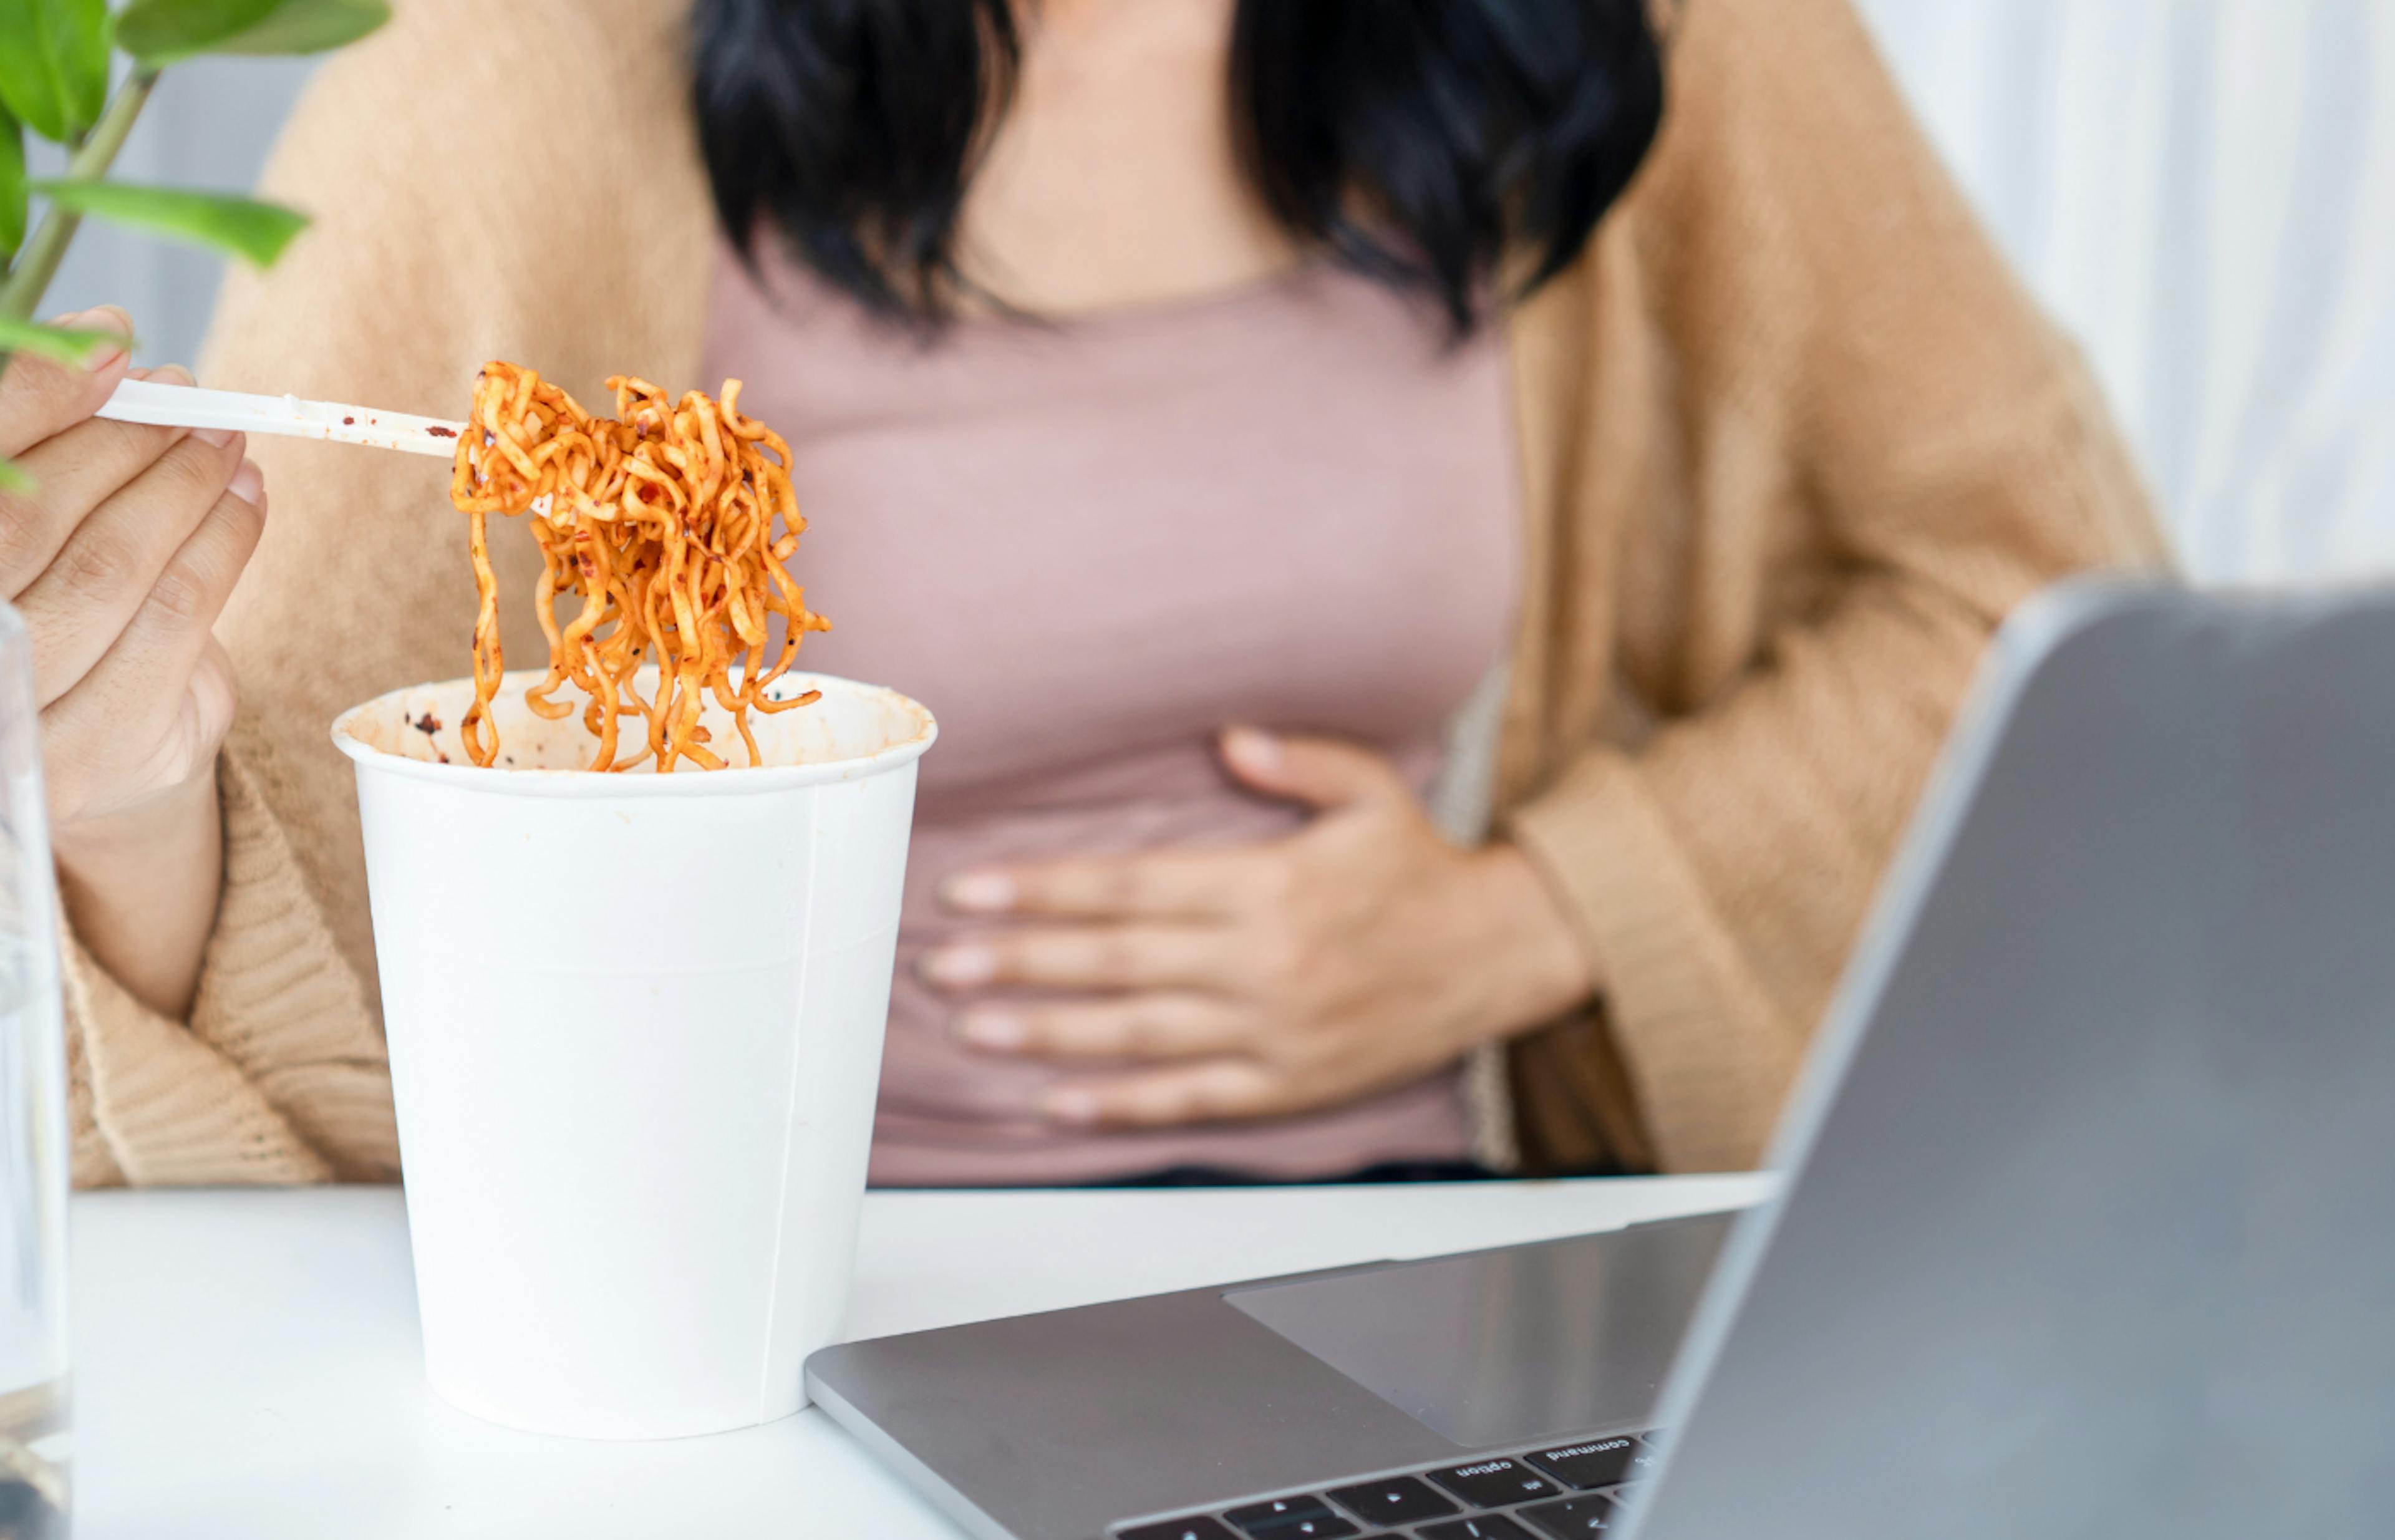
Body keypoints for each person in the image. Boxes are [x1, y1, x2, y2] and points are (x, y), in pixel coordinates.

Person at [42, 0, 2166, 1189]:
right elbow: (278, 906)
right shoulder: (514, 90)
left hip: (1426, 1280)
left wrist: (1542, 919)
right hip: (781, 1320)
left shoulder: (1627, 44)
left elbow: (2055, 601)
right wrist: (118, 786)